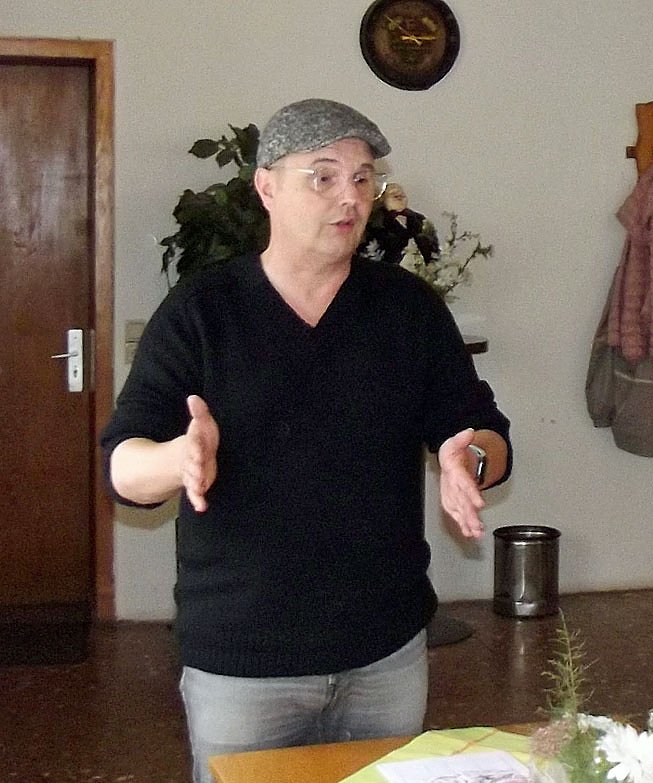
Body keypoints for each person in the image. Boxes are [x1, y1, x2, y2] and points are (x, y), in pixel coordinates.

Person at [100, 98, 512, 783]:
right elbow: (122, 465)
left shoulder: (407, 309)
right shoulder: (203, 312)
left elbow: (487, 434)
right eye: (323, 176)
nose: (349, 197)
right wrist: (177, 459)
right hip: (244, 663)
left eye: (362, 178)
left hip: (384, 652)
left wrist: (466, 458)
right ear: (266, 187)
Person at [357, 180, 439, 265]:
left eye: (402, 194)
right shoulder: (372, 221)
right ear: (382, 199)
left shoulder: (420, 220)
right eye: (393, 194)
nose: (399, 196)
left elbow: (433, 250)